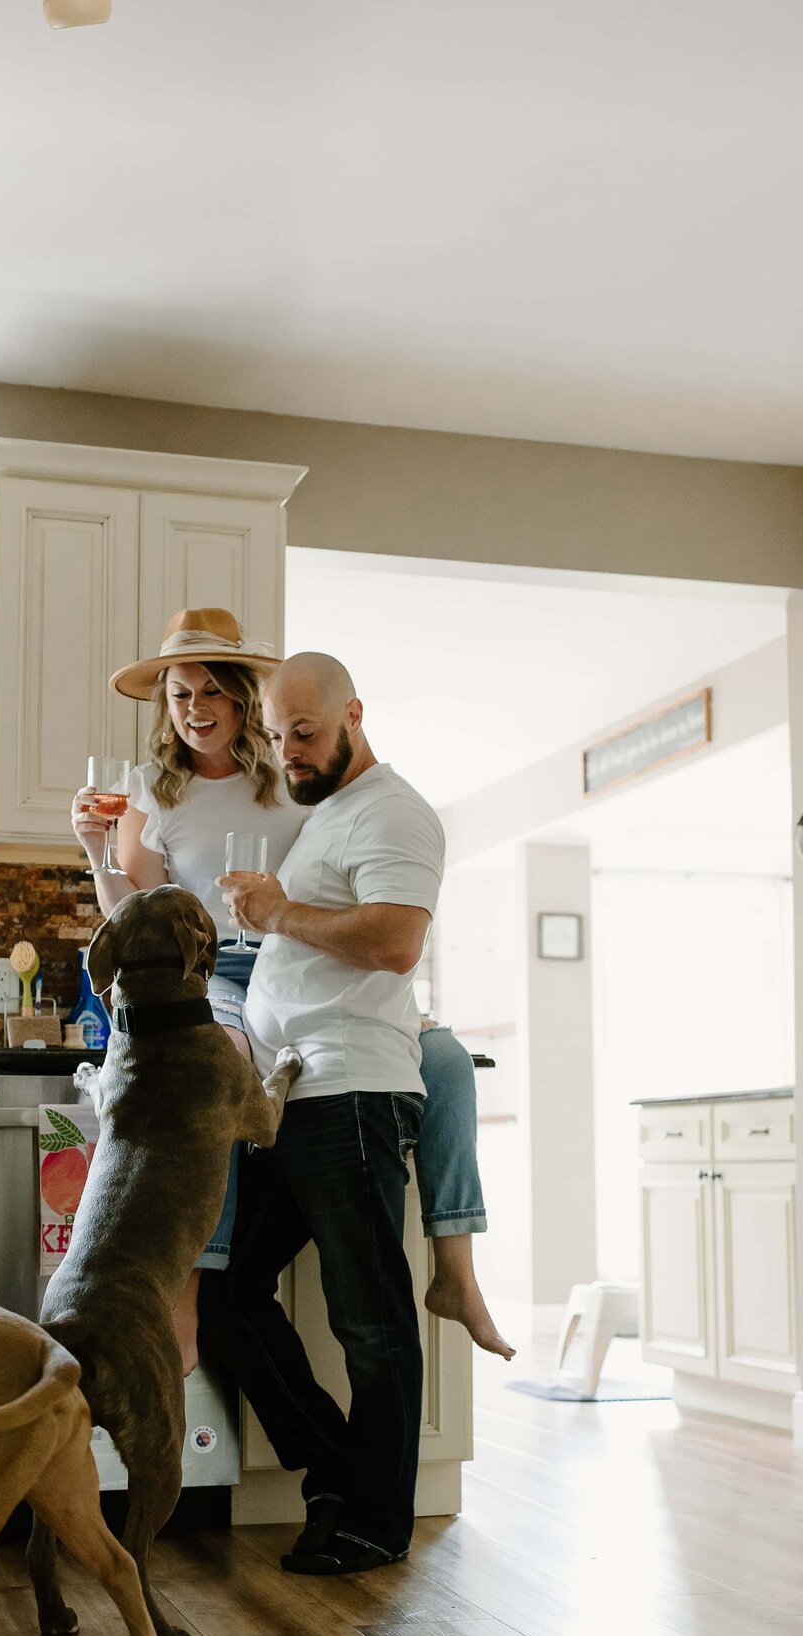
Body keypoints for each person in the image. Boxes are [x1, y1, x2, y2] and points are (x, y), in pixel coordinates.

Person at [71, 610, 512, 1374]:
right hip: (207, 975)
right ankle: (192, 1289)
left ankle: (457, 1268)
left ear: (245, 698)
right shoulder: (150, 790)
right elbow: (135, 915)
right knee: (219, 1061)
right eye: (180, 694)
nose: (196, 708)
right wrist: (94, 852)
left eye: (213, 690)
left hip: (293, 961)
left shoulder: (292, 774)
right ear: (165, 704)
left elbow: (352, 873)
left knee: (446, 1063)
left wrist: (386, 999)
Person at [203, 651, 464, 1574]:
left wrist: (277, 915)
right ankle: (334, 1468)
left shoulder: (394, 811)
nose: (290, 752)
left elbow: (395, 941)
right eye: (278, 737)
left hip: (351, 1092)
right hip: (294, 1098)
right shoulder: (333, 816)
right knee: (225, 1291)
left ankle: (374, 1522)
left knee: (371, 1319)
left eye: (305, 733)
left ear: (354, 713)